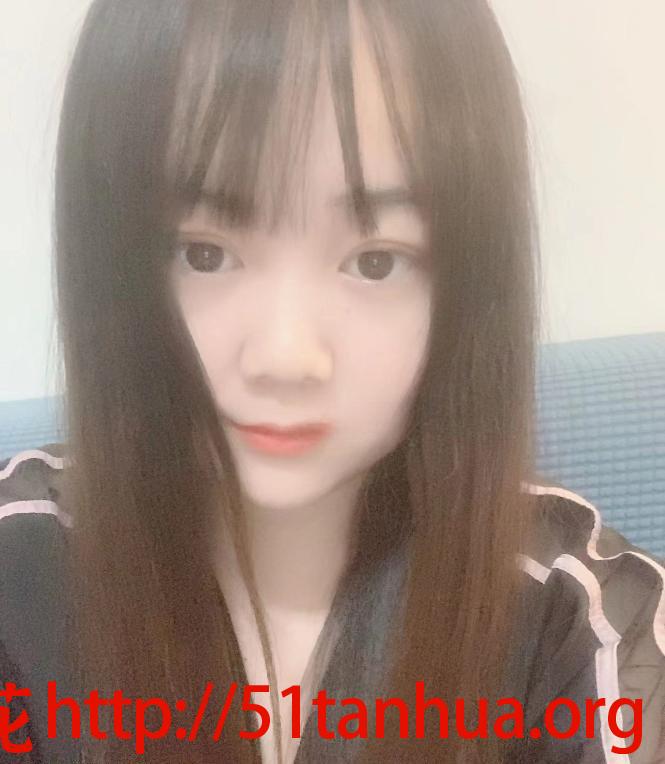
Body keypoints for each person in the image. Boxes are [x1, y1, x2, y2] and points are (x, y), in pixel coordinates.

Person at [0, 0, 663, 762]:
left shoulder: (575, 622)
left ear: (467, 286)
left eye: (374, 261)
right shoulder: (21, 571)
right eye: (204, 253)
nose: (285, 355)